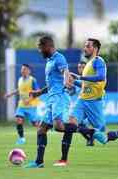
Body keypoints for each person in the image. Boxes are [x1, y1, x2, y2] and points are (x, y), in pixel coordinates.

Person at [54, 38, 118, 167]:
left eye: (88, 46)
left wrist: (80, 77)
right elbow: (85, 84)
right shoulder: (88, 64)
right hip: (82, 100)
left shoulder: (99, 61)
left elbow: (100, 77)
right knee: (70, 125)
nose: (85, 48)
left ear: (95, 48)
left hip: (94, 103)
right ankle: (63, 160)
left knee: (103, 138)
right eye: (85, 46)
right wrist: (73, 80)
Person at [24, 35, 71, 168]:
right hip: (51, 98)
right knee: (41, 129)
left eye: (40, 47)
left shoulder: (59, 58)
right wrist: (38, 92)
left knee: (59, 127)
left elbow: (65, 72)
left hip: (60, 98)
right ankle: (39, 162)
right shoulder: (49, 61)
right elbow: (52, 83)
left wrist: (67, 80)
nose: (39, 50)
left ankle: (87, 132)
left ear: (48, 46)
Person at [4, 64, 40, 145]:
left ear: (29, 71)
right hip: (21, 105)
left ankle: (42, 135)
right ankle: (21, 138)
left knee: (35, 124)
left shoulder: (32, 80)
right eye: (22, 69)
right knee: (18, 120)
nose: (22, 71)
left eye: (24, 69)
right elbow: (19, 90)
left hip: (31, 105)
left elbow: (38, 92)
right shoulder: (20, 79)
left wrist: (29, 99)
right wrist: (10, 94)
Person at [68, 61, 95, 146]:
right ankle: (90, 137)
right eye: (79, 67)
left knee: (75, 125)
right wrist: (69, 89)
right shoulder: (75, 79)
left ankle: (91, 135)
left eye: (83, 67)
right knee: (77, 126)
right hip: (79, 107)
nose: (81, 69)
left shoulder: (90, 79)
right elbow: (72, 92)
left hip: (88, 106)